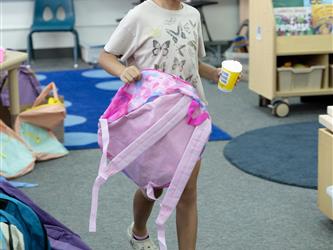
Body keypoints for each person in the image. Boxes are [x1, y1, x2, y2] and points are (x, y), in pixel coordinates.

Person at [99, 0, 223, 249]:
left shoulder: (192, 15)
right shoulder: (140, 15)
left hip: (189, 115)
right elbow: (106, 56)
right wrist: (122, 71)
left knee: (187, 192)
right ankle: (139, 230)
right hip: (152, 118)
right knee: (152, 188)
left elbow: (191, 62)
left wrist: (215, 73)